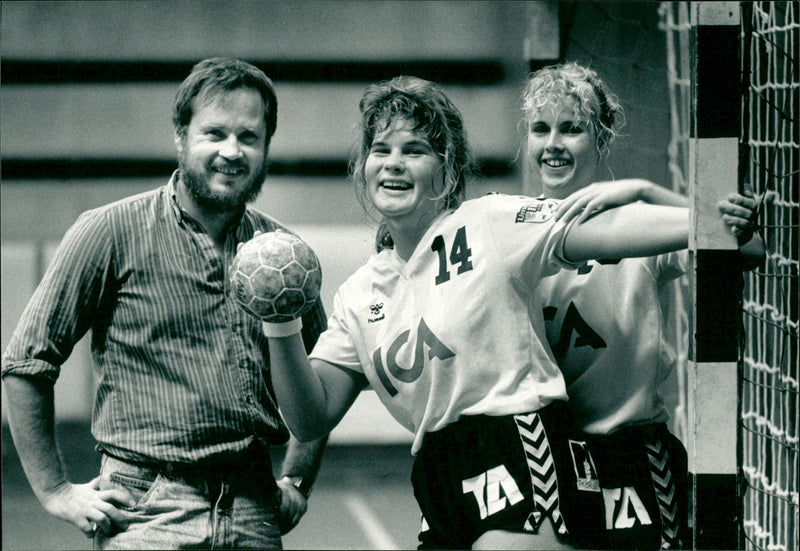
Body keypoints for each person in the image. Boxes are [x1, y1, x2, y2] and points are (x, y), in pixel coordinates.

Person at [258, 75, 695, 550]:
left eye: (415, 150)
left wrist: (698, 219)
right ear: (363, 166)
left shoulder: (490, 223)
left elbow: (604, 232)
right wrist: (281, 323)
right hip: (437, 468)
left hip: (513, 442)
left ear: (446, 171)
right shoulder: (360, 294)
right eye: (381, 150)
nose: (394, 164)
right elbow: (310, 417)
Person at [1, 57, 329, 550]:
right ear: (180, 136)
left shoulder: (283, 256)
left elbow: (322, 377)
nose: (231, 152)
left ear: (265, 147)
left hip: (253, 509)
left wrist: (297, 479)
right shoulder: (110, 230)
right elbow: (27, 361)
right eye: (214, 133)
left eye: (248, 137)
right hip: (146, 510)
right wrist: (55, 491)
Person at [522, 61, 765, 549]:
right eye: (540, 129)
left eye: (572, 129)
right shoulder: (510, 225)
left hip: (633, 451)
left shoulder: (639, 223)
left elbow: (748, 249)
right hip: (548, 451)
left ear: (602, 141)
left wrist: (643, 190)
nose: (553, 144)